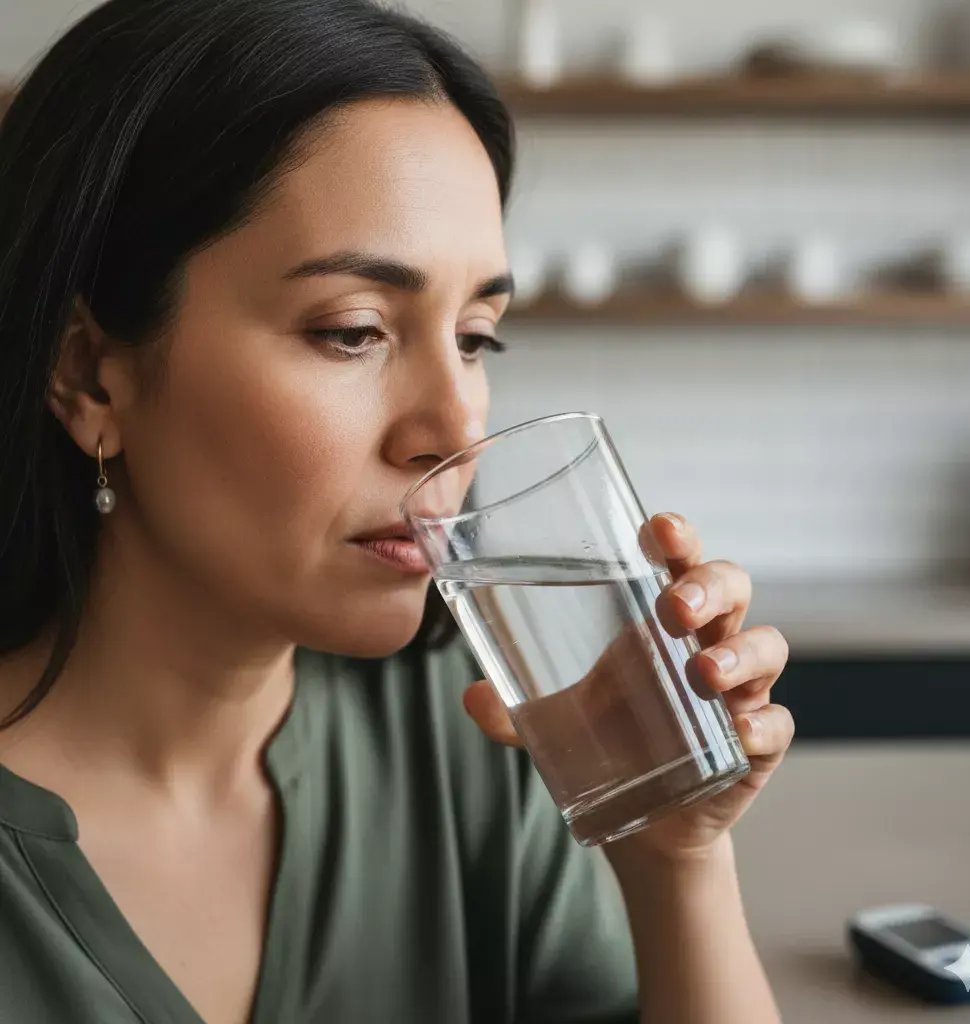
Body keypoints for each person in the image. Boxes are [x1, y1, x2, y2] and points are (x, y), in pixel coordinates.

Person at [0, 2, 793, 1022]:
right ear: (90, 375)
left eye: (475, 338)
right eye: (352, 332)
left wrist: (673, 857)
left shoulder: (478, 738)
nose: (454, 423)